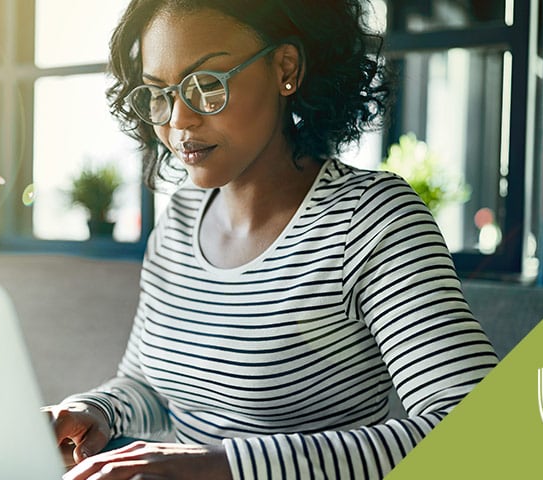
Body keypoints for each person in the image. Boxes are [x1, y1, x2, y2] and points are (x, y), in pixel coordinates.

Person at [46, 1, 499, 478]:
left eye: (207, 85)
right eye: (159, 93)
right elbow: (149, 383)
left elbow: (480, 430)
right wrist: (93, 411)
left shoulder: (370, 219)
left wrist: (223, 466)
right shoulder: (180, 220)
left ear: (286, 68)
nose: (179, 120)